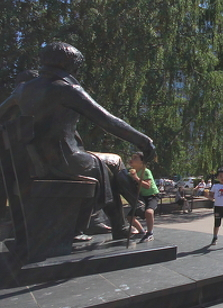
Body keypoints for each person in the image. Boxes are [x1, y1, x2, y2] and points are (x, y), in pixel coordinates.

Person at [0, 42, 155, 241]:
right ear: (69, 65)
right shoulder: (66, 88)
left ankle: (129, 213)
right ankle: (124, 221)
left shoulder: (22, 90)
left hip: (35, 160)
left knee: (106, 165)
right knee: (110, 166)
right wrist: (143, 141)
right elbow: (106, 120)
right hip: (66, 160)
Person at [128, 151, 159, 243]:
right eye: (132, 157)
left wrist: (136, 178)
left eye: (135, 158)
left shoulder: (146, 171)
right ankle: (141, 231)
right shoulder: (131, 172)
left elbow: (147, 186)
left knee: (149, 212)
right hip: (142, 197)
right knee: (130, 217)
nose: (132, 159)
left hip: (152, 195)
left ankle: (150, 233)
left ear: (142, 161)